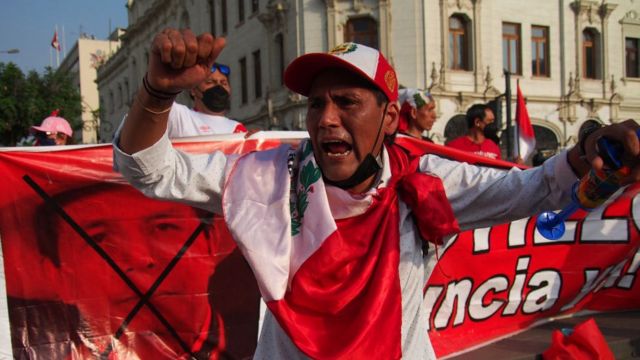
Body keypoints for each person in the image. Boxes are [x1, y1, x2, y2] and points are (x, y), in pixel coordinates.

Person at [113, 28, 640, 359]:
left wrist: (590, 145)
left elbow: (532, 191)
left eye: (346, 102)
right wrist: (157, 92)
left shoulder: (427, 181)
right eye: (316, 105)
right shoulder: (268, 174)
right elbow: (150, 170)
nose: (325, 120)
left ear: (390, 117)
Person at [14, 182, 260, 359]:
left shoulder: (267, 346)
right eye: (98, 239)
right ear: (59, 277)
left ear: (210, 242)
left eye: (164, 228)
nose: (140, 258)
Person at [166, 62, 247, 137]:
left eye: (223, 83)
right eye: (210, 82)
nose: (219, 86)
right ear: (193, 90)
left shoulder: (238, 128)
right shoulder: (180, 116)